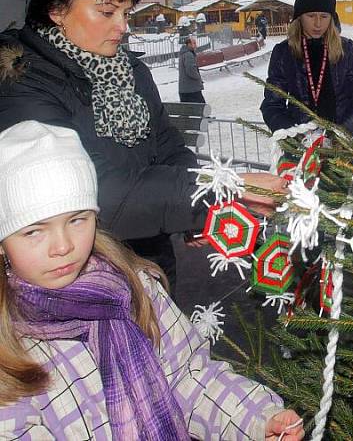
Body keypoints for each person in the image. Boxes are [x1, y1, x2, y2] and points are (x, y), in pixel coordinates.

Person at [0, 0, 285, 291]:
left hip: (149, 262)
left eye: (125, 13)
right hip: (73, 280)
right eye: (107, 13)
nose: (122, 27)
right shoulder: (22, 81)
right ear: (57, 11)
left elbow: (167, 146)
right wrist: (221, 190)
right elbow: (94, 192)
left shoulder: (129, 69)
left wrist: (193, 209)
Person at [0, 121, 304, 440]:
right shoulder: (11, 341)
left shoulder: (135, 287)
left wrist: (254, 417)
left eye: (77, 219)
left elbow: (188, 378)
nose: (62, 246)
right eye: (34, 231)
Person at [260, 0, 353, 137]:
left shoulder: (346, 49)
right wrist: (295, 136)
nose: (318, 23)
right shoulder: (284, 52)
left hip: (343, 149)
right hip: (301, 150)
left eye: (324, 16)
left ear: (332, 18)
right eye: (311, 16)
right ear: (299, 17)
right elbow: (272, 105)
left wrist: (343, 133)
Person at [178, 36, 204, 103]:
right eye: (194, 43)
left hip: (184, 89)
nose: (196, 45)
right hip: (192, 89)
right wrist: (198, 77)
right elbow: (190, 70)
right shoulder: (188, 55)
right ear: (189, 44)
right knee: (202, 108)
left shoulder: (183, 53)